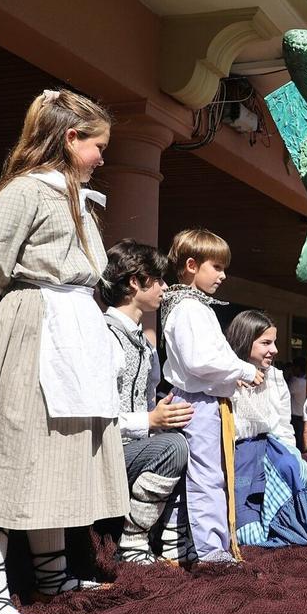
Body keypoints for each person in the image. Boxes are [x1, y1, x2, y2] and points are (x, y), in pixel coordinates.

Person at [0, 88, 126, 614]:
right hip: (33, 332)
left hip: (67, 337)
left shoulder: (73, 198)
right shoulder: (25, 193)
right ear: (70, 139)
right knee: (6, 460)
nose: (102, 157)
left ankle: (50, 577)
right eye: (98, 145)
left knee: (52, 462)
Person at [159, 228, 263, 564]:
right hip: (198, 401)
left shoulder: (189, 306)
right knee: (208, 477)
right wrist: (243, 371)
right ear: (191, 265)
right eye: (216, 267)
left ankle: (183, 546)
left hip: (201, 399)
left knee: (198, 477)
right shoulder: (189, 308)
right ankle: (212, 551)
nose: (222, 275)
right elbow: (200, 359)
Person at [100, 239, 195, 566]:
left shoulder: (144, 342)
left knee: (191, 441)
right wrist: (152, 421)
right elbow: (95, 414)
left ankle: (170, 538)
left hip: (136, 449)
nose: (166, 288)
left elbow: (150, 399)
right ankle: (134, 542)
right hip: (101, 450)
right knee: (174, 446)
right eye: (158, 279)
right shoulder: (102, 334)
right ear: (134, 282)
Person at [224, 310, 307, 547]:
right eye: (266, 342)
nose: (274, 350)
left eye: (273, 342)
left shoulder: (275, 377)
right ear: (245, 340)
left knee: (294, 465)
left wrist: (292, 456)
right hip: (237, 457)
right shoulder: (223, 377)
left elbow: (283, 426)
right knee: (250, 536)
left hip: (271, 452)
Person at [287, 357, 307, 446]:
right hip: (303, 415)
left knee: (297, 441)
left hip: (296, 416)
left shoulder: (296, 381)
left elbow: (286, 392)